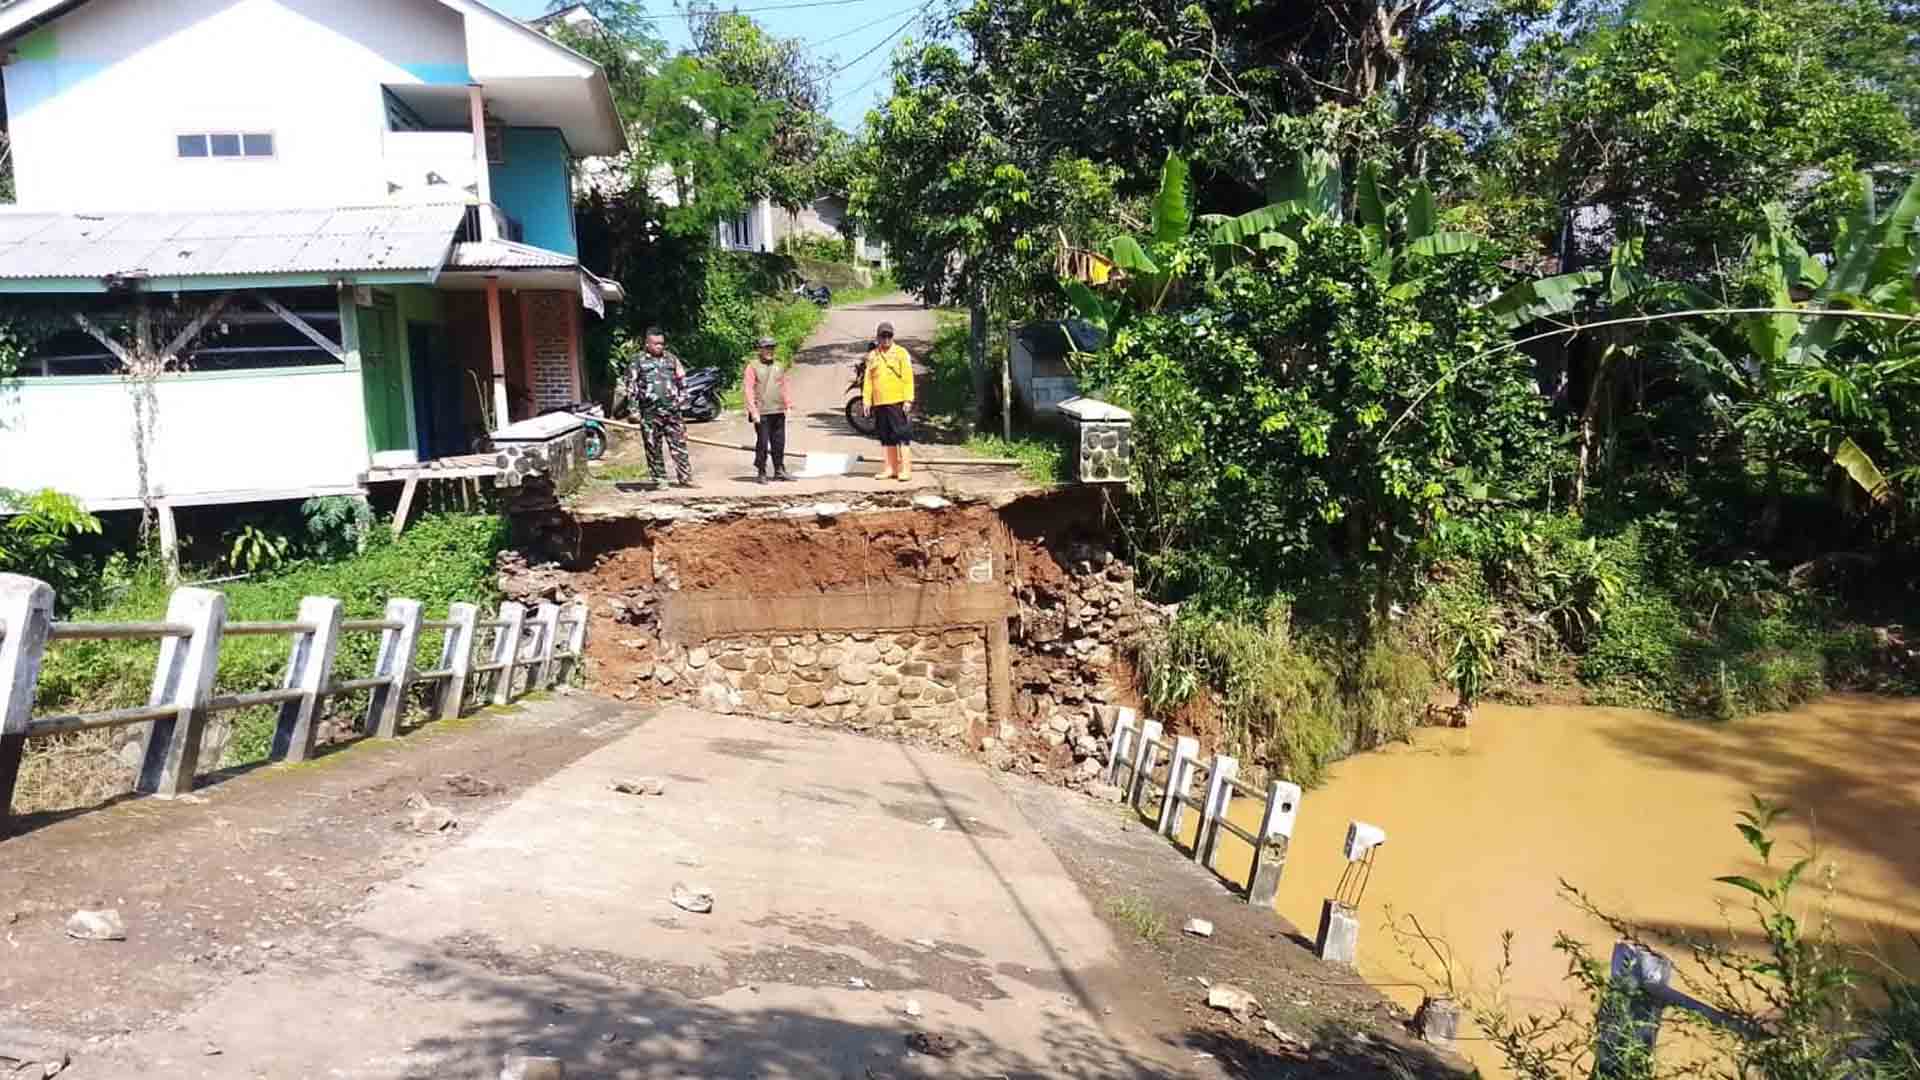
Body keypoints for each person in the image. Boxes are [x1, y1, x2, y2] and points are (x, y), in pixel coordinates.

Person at [621, 327, 694, 488]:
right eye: (656, 344)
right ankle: (660, 480)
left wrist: (681, 400)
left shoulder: (671, 359)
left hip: (672, 411)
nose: (659, 346)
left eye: (661, 343)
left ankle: (685, 478)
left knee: (679, 444)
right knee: (653, 447)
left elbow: (682, 380)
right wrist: (633, 410)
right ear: (647, 344)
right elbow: (631, 386)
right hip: (650, 412)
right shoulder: (637, 361)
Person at [862, 320, 915, 481]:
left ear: (892, 336)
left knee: (901, 434)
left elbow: (908, 378)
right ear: (877, 337)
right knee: (886, 436)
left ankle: (905, 469)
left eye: (888, 335)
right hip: (879, 402)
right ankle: (890, 468)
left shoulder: (901, 353)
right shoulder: (872, 356)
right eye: (883, 336)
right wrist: (866, 401)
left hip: (897, 400)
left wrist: (908, 399)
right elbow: (868, 380)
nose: (886, 339)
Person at [742, 335, 794, 483]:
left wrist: (788, 404)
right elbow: (748, 389)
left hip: (777, 410)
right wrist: (753, 411)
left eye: (772, 347)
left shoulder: (779, 365)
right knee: (763, 443)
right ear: (760, 349)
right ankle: (761, 471)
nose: (769, 350)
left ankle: (779, 470)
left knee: (779, 442)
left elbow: (783, 385)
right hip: (761, 411)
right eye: (766, 348)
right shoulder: (753, 366)